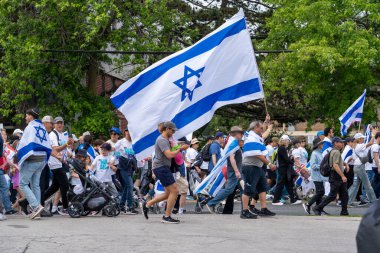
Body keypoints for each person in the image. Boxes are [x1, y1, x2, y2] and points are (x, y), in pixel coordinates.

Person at [141, 121, 189, 224]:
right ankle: (166, 216)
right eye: (172, 130)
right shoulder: (162, 140)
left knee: (168, 193)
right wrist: (180, 149)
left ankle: (147, 204)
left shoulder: (166, 139)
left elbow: (171, 149)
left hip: (162, 167)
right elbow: (169, 155)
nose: (173, 133)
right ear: (167, 129)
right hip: (161, 168)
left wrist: (179, 146)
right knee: (175, 191)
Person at [17, 108, 52, 219]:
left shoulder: (30, 127)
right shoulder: (42, 127)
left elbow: (24, 145)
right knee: (35, 185)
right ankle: (37, 212)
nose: (25, 118)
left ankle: (35, 206)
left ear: (31, 116)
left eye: (26, 115)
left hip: (32, 159)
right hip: (42, 159)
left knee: (22, 184)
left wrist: (18, 155)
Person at [241, 120, 276, 219]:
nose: (262, 130)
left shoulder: (255, 137)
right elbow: (256, 153)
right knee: (248, 189)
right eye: (261, 128)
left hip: (257, 167)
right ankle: (244, 211)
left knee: (262, 188)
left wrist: (267, 126)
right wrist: (269, 163)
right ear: (255, 127)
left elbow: (263, 136)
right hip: (250, 166)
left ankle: (263, 209)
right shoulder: (251, 137)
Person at [205, 126, 244, 213]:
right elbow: (231, 158)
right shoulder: (232, 143)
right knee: (229, 189)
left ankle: (245, 209)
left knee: (243, 190)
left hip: (237, 170)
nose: (242, 135)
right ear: (237, 134)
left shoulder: (233, 142)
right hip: (234, 171)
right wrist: (237, 171)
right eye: (241, 133)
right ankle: (211, 202)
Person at [43, 116, 74, 215]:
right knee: (65, 186)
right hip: (55, 163)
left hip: (61, 162)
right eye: (57, 123)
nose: (60, 124)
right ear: (54, 124)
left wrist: (71, 155)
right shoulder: (53, 134)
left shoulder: (62, 135)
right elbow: (55, 149)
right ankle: (65, 207)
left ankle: (36, 201)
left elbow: (65, 149)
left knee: (55, 187)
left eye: (61, 123)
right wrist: (66, 145)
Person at [313, 137, 349, 216]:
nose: (342, 143)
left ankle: (344, 212)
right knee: (332, 195)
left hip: (336, 176)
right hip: (336, 176)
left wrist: (345, 164)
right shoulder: (336, 152)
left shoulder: (334, 151)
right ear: (335, 143)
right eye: (340, 142)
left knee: (344, 194)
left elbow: (338, 162)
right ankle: (318, 208)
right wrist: (343, 176)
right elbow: (335, 165)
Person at [348, 132, 377, 206]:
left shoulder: (355, 147)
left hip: (356, 167)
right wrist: (374, 135)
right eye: (362, 138)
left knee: (355, 185)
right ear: (359, 139)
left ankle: (348, 201)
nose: (363, 139)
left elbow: (353, 158)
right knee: (367, 184)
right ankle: (373, 201)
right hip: (360, 167)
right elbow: (370, 143)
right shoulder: (359, 146)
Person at [272, 135, 302, 206]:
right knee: (280, 184)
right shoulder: (282, 148)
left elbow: (286, 159)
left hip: (284, 169)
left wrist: (291, 160)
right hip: (283, 169)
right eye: (288, 140)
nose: (289, 142)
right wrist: (294, 163)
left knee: (288, 185)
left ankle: (292, 199)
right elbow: (286, 159)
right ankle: (275, 200)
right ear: (285, 141)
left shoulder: (282, 148)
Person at [115, 126, 138, 214]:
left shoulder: (134, 142)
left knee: (125, 186)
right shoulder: (121, 142)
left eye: (130, 131)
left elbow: (136, 155)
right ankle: (130, 206)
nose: (129, 133)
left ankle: (121, 205)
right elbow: (113, 149)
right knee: (130, 186)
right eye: (127, 131)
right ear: (125, 132)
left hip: (131, 166)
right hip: (123, 166)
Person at [303, 138, 325, 214]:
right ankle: (308, 204)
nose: (323, 145)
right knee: (320, 192)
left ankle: (318, 209)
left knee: (321, 192)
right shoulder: (314, 153)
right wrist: (322, 166)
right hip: (316, 176)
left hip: (321, 176)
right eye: (321, 144)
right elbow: (313, 166)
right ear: (318, 145)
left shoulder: (320, 153)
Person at [371, 132, 380, 198]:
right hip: (376, 166)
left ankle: (375, 196)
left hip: (376, 166)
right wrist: (379, 167)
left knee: (376, 182)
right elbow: (375, 157)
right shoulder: (375, 146)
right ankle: (374, 195)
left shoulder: (377, 145)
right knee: (377, 182)